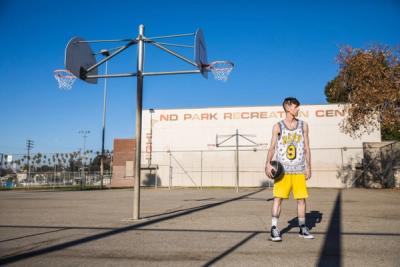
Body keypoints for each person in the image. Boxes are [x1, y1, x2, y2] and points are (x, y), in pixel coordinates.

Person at [265, 97, 314, 241]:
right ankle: (274, 228)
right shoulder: (278, 126)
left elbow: (307, 148)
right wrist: (267, 163)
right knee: (278, 199)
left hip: (299, 170)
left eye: (298, 107)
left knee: (301, 200)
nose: (298, 109)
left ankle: (302, 228)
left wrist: (309, 166)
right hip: (283, 172)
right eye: (296, 106)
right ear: (288, 108)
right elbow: (272, 147)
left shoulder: (303, 125)